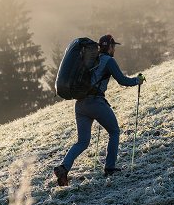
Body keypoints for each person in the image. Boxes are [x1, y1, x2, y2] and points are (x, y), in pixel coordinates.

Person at [54, 34, 145, 186]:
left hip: (80, 104)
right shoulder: (108, 60)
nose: (114, 48)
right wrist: (137, 80)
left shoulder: (90, 61)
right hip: (95, 102)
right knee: (114, 131)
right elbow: (122, 81)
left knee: (82, 142)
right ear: (109, 47)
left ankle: (63, 167)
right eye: (113, 46)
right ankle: (109, 167)